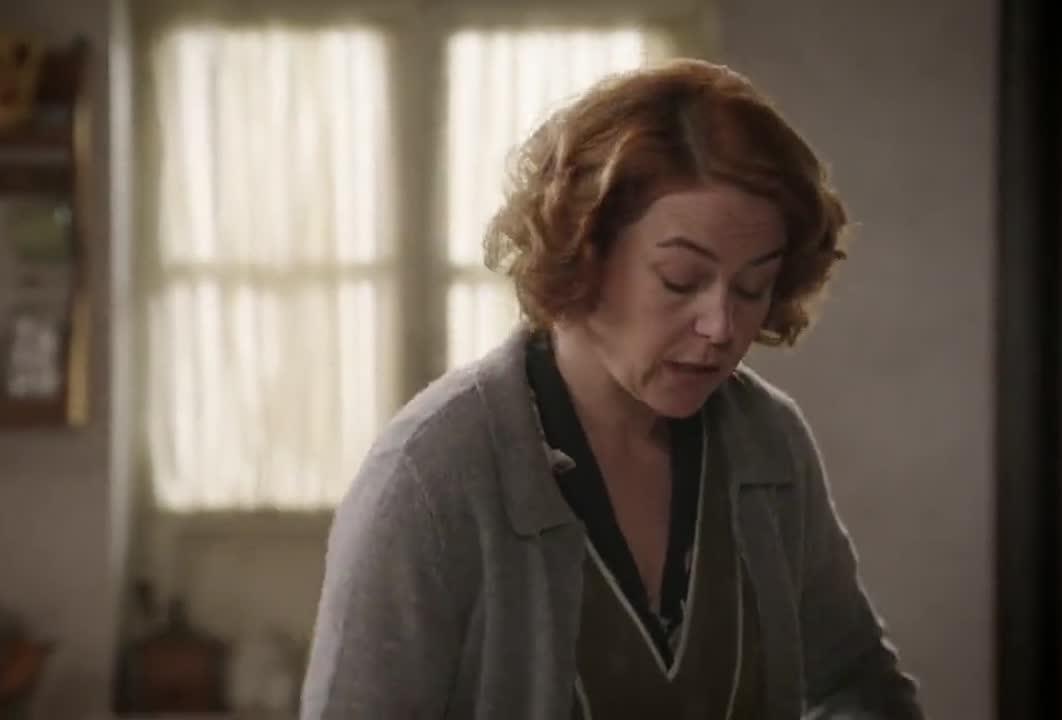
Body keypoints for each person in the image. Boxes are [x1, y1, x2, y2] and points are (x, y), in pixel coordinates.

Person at [300, 58, 925, 719]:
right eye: (680, 280)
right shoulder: (431, 476)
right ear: (585, 250)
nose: (721, 327)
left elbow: (857, 684)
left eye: (752, 287)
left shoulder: (767, 444)